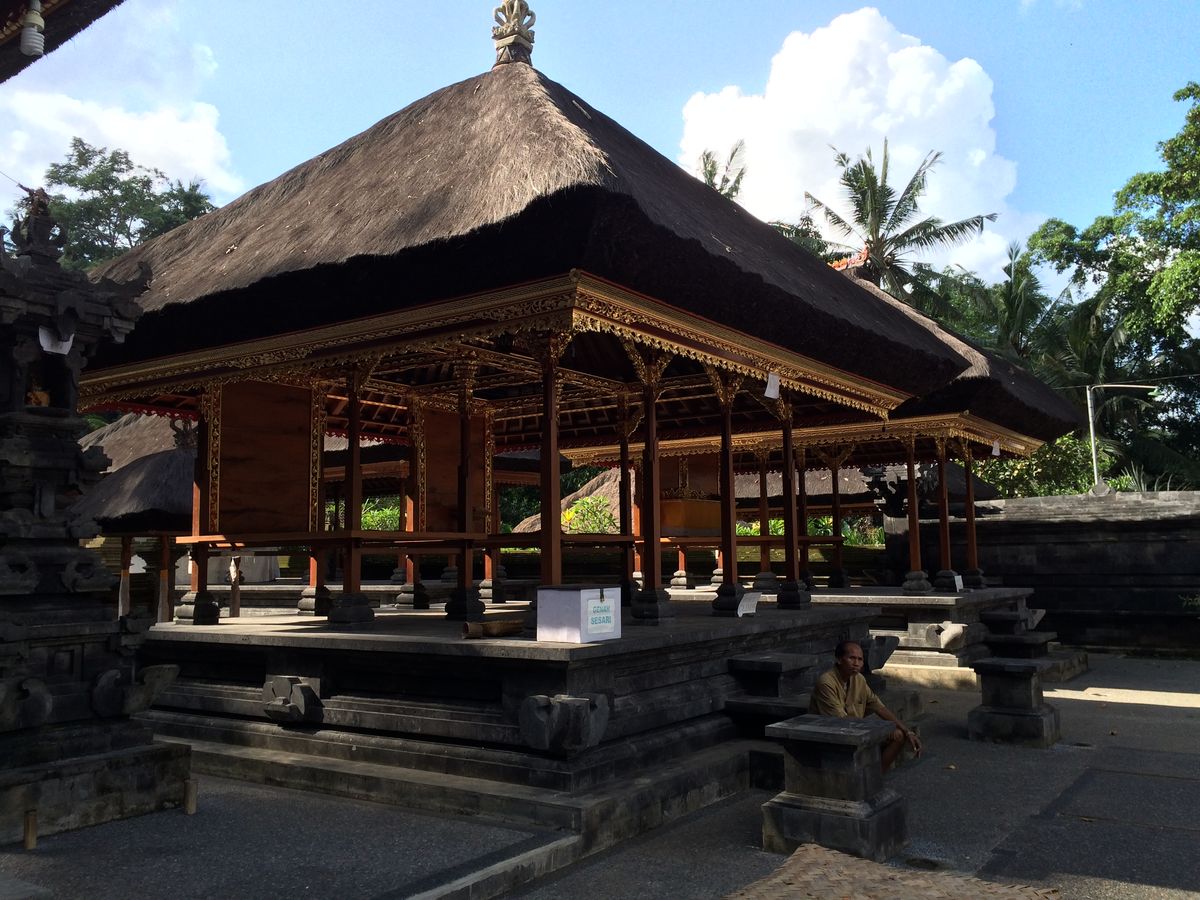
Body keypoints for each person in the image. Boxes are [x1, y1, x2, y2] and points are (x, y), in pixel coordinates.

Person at [812, 640, 922, 771]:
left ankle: (877, 775)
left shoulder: (859, 679)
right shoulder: (826, 682)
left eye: (860, 659)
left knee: (898, 735)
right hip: (832, 732)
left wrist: (907, 731)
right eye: (851, 658)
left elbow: (879, 707)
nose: (856, 663)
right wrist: (875, 729)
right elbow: (841, 721)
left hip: (856, 727)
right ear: (839, 659)